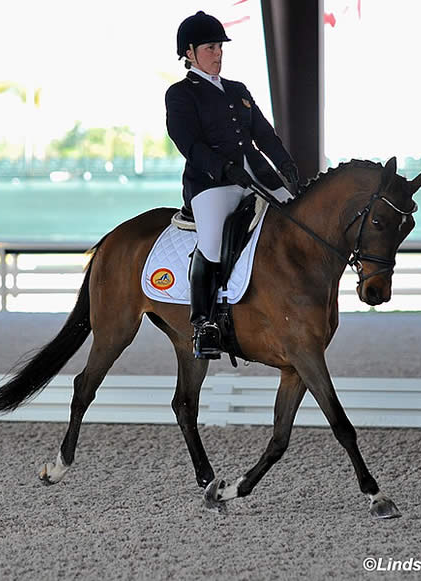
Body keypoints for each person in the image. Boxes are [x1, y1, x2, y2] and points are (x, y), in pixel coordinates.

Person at [165, 10, 299, 359]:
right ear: (190, 53)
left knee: (298, 217)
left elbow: (264, 134)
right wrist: (223, 169)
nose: (218, 54)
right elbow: (187, 142)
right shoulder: (181, 94)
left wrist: (284, 164)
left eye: (220, 47)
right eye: (210, 48)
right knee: (211, 241)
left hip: (256, 177)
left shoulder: (238, 90)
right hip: (212, 184)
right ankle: (203, 324)